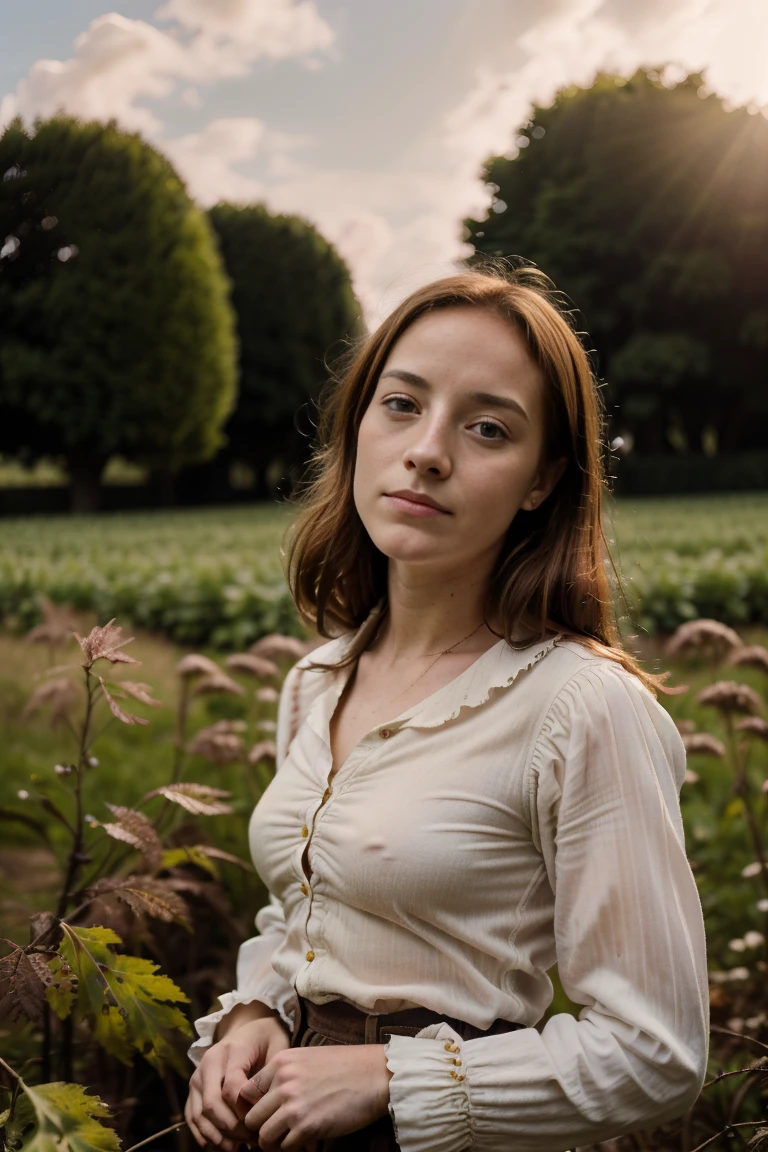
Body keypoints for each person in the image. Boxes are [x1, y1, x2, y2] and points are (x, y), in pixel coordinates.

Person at [184, 263, 709, 1152]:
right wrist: (254, 1018)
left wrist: (394, 1075)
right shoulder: (317, 680)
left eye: (488, 427)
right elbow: (304, 918)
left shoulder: (581, 707)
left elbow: (656, 1052)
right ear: (357, 425)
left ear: (542, 481)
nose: (428, 449)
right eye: (401, 404)